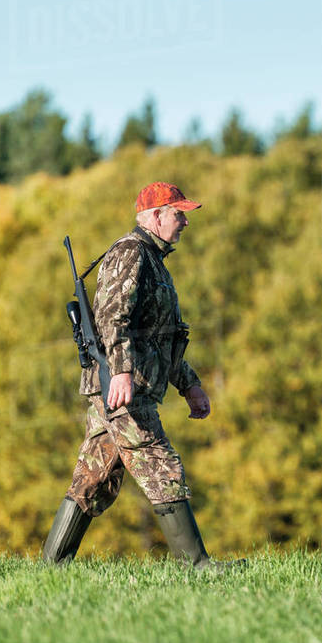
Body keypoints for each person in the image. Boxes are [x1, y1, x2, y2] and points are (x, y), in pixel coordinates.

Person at [42, 181, 236, 571]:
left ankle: (51, 568)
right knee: (159, 462)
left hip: (131, 385)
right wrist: (122, 372)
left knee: (94, 477)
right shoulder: (131, 254)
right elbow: (113, 318)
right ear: (155, 216)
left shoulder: (154, 260)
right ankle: (198, 566)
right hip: (125, 388)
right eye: (178, 213)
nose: (184, 221)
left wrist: (190, 384)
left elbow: (161, 337)